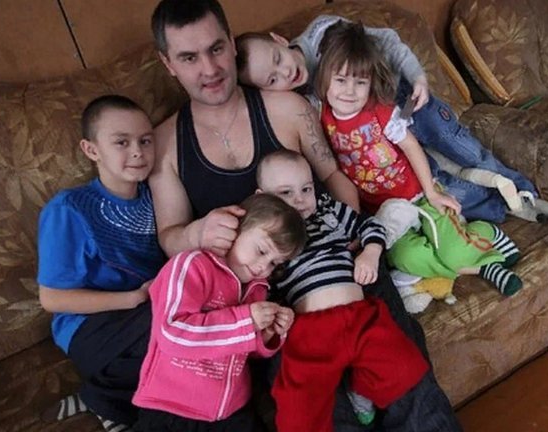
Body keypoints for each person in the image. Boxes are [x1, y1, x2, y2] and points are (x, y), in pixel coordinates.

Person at [149, 1, 460, 430]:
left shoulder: (286, 108)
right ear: (168, 63)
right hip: (267, 293)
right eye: (188, 57)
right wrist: (197, 232)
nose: (209, 68)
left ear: (231, 43)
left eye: (216, 49)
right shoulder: (165, 144)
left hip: (337, 257)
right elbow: (169, 236)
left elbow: (335, 178)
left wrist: (353, 241)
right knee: (315, 416)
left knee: (411, 384)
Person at [234, 16, 548, 224]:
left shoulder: (324, 32)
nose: (285, 73)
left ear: (279, 40)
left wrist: (418, 78)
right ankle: (502, 206)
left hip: (406, 99)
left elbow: (387, 41)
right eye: (272, 80)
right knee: (436, 179)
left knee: (463, 148)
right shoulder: (306, 101)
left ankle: (524, 191)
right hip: (380, 138)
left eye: (277, 59)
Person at [315, 21, 523, 296]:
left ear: (370, 84)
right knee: (406, 258)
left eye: (360, 82)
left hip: (418, 193)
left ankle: (487, 233)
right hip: (384, 212)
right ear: (325, 78)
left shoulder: (381, 112)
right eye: (341, 80)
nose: (349, 91)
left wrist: (432, 193)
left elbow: (412, 146)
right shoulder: (320, 113)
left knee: (455, 252)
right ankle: (482, 267)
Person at [256, 149, 434, 431]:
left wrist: (371, 253)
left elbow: (370, 225)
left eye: (306, 189)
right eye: (285, 193)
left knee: (406, 367)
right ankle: (355, 387)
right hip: (310, 329)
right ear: (262, 198)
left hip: (359, 316)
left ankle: (362, 386)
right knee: (298, 410)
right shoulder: (266, 237)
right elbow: (256, 277)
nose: (299, 200)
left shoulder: (328, 211)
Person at [37, 95, 166, 431]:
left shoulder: (159, 195)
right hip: (90, 325)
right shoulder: (69, 209)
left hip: (148, 309)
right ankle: (108, 401)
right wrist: (132, 298)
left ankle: (102, 397)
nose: (137, 152)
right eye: (122, 142)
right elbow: (52, 298)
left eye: (145, 141)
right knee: (169, 331)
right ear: (91, 150)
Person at [132, 193, 307, 432]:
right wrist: (246, 321)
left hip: (231, 411)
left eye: (275, 263)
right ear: (235, 229)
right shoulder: (192, 264)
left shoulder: (258, 288)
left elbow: (242, 348)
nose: (263, 268)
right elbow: (172, 333)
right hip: (171, 407)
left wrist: (267, 333)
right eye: (261, 251)